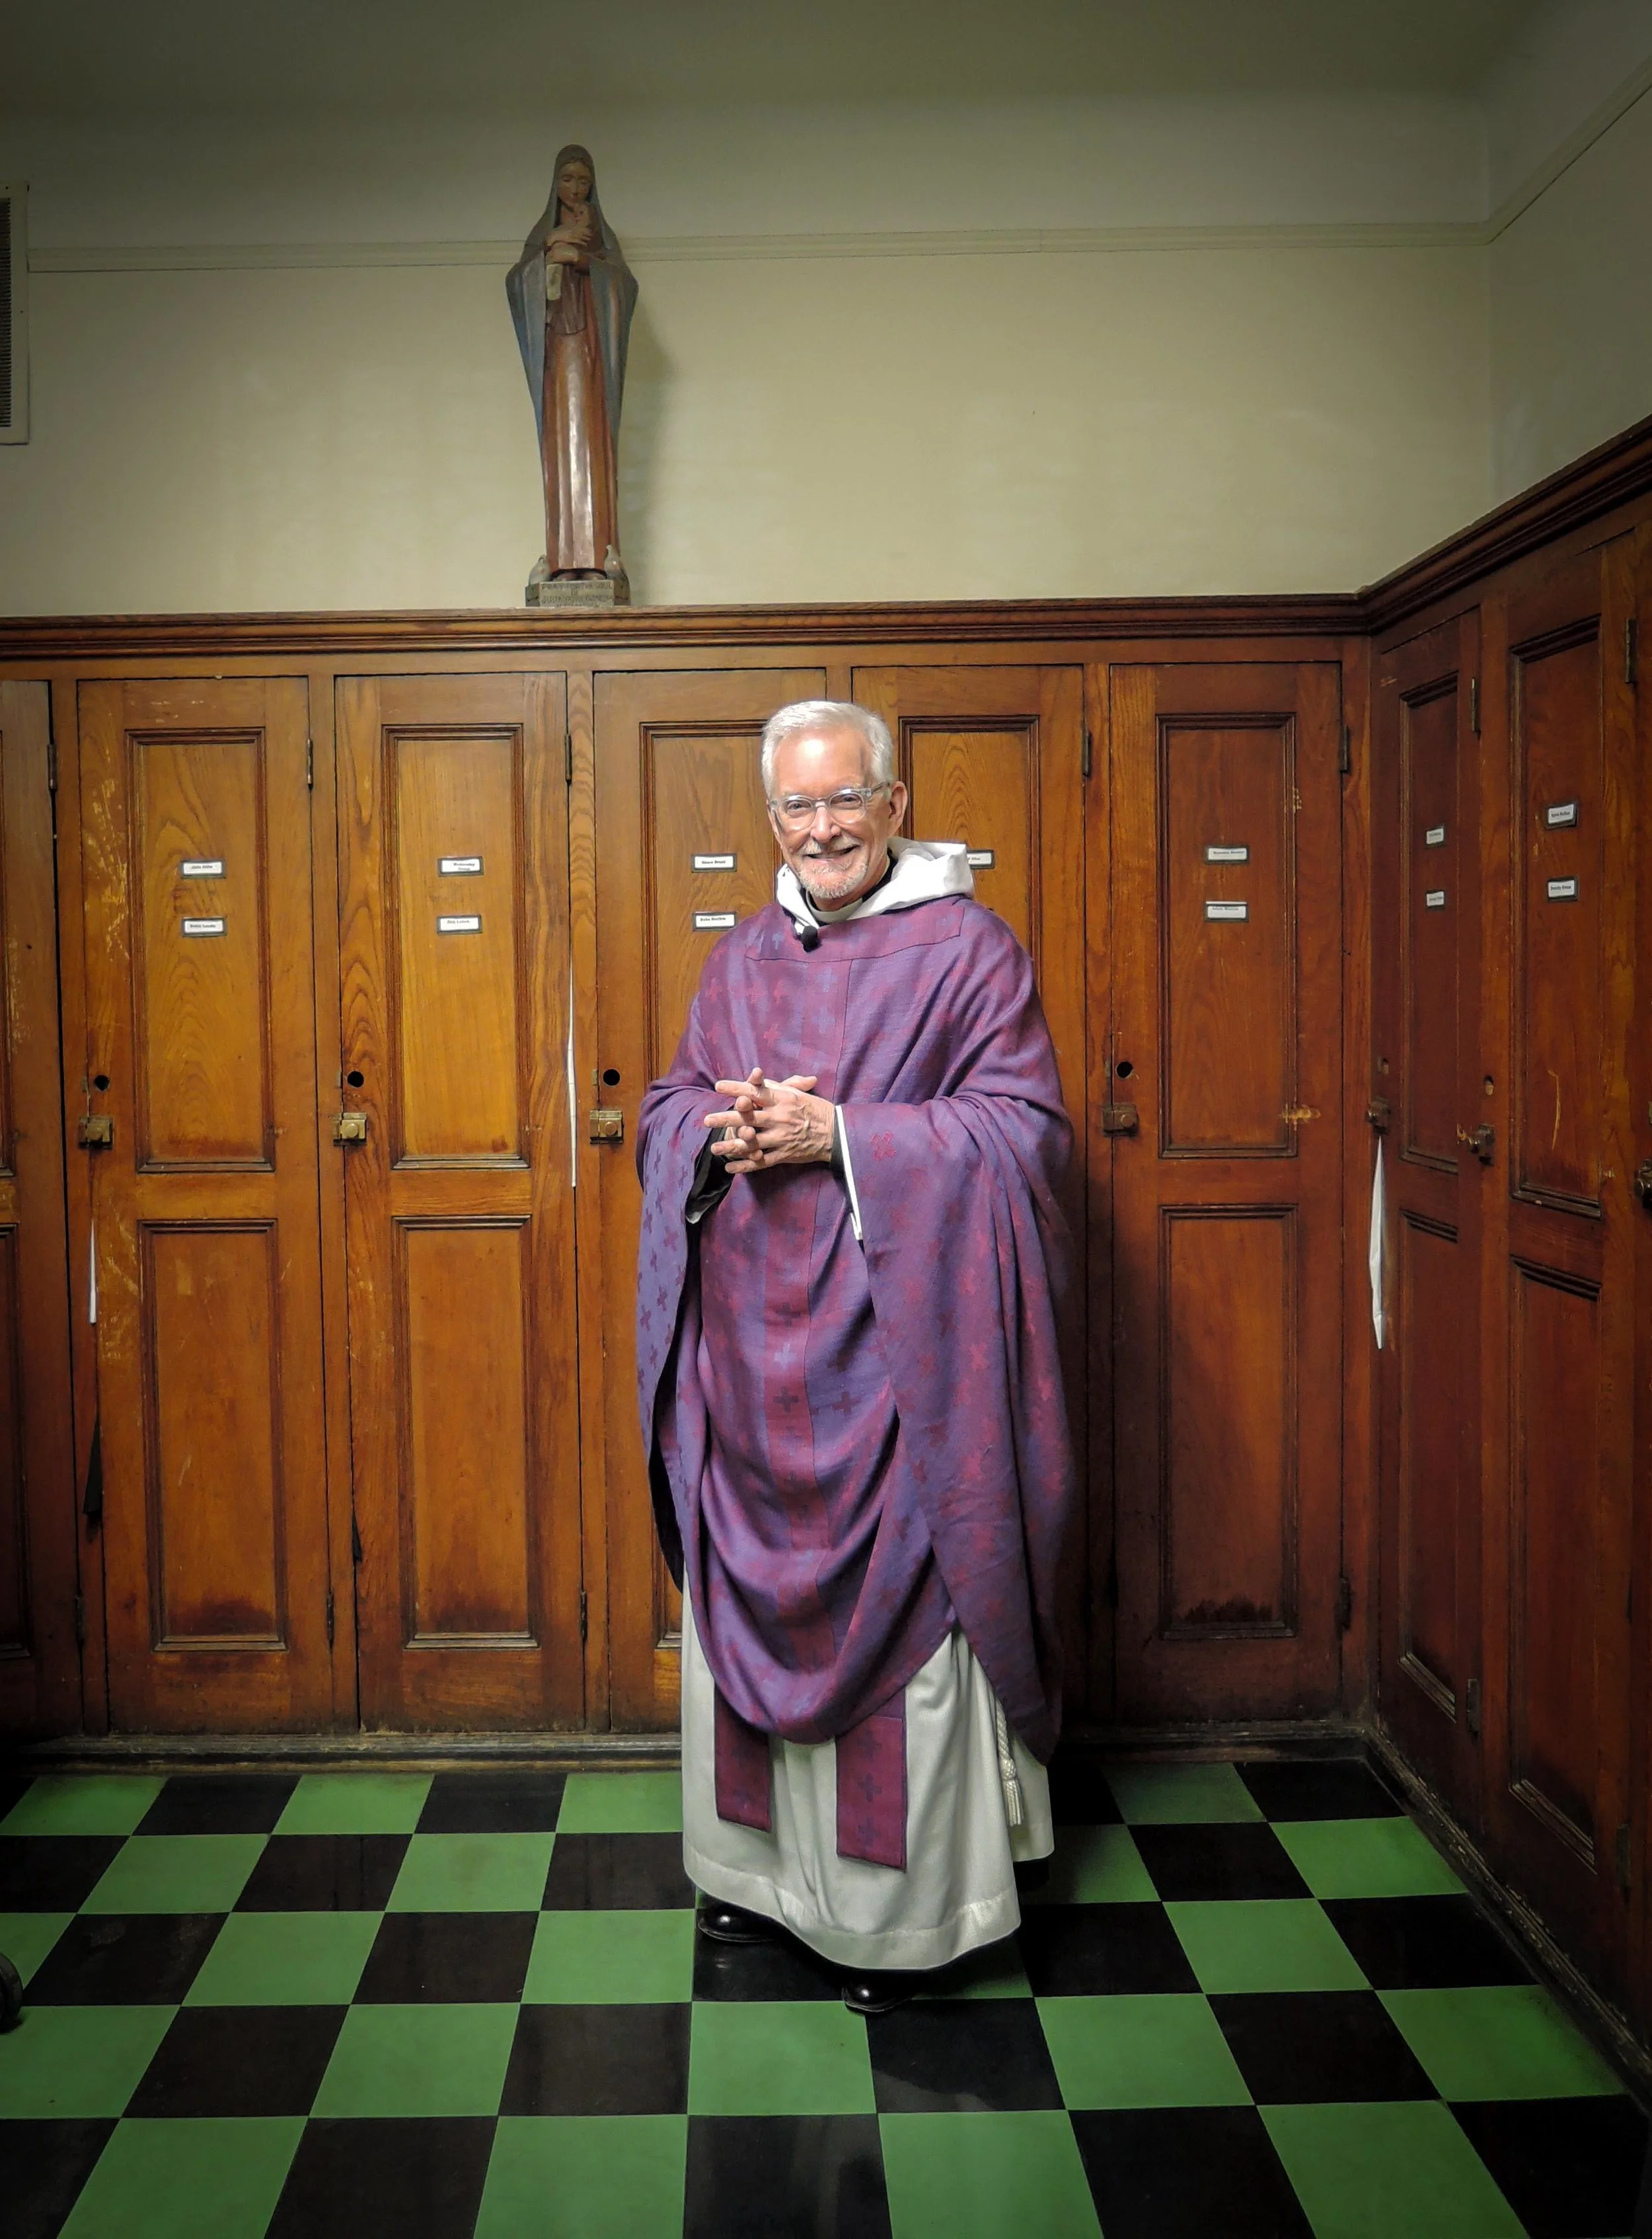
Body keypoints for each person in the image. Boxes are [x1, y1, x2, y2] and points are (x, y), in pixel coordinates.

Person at [635, 700, 1076, 2012]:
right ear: (771, 816)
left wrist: (845, 1138)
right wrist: (712, 1130)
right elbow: (669, 1102)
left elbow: (1026, 1138)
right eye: (793, 807)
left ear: (891, 803)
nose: (818, 829)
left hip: (900, 1379)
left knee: (908, 1629)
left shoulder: (969, 953)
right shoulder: (740, 958)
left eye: (841, 801)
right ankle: (756, 1879)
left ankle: (901, 1922)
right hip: (753, 1372)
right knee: (742, 1624)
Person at [505, 144, 637, 582]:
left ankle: (599, 556)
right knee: (561, 450)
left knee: (591, 449)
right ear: (554, 184)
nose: (576, 189)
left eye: (584, 181)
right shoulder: (543, 233)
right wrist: (549, 252)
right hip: (556, 352)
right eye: (568, 179)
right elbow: (517, 282)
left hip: (589, 352)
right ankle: (561, 560)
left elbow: (623, 285)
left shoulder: (600, 236)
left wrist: (580, 259)